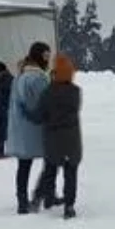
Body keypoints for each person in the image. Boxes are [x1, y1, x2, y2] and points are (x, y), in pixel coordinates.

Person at [36, 53, 83, 219]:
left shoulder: (48, 93)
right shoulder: (76, 92)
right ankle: (69, 206)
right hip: (72, 141)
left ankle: (42, 198)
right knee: (71, 174)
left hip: (53, 140)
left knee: (50, 170)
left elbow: (39, 115)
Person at [9, 42, 53, 213]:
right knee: (51, 162)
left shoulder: (19, 77)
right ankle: (47, 195)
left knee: (24, 165)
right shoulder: (38, 78)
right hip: (37, 127)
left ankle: (22, 201)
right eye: (46, 56)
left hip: (20, 128)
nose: (48, 60)